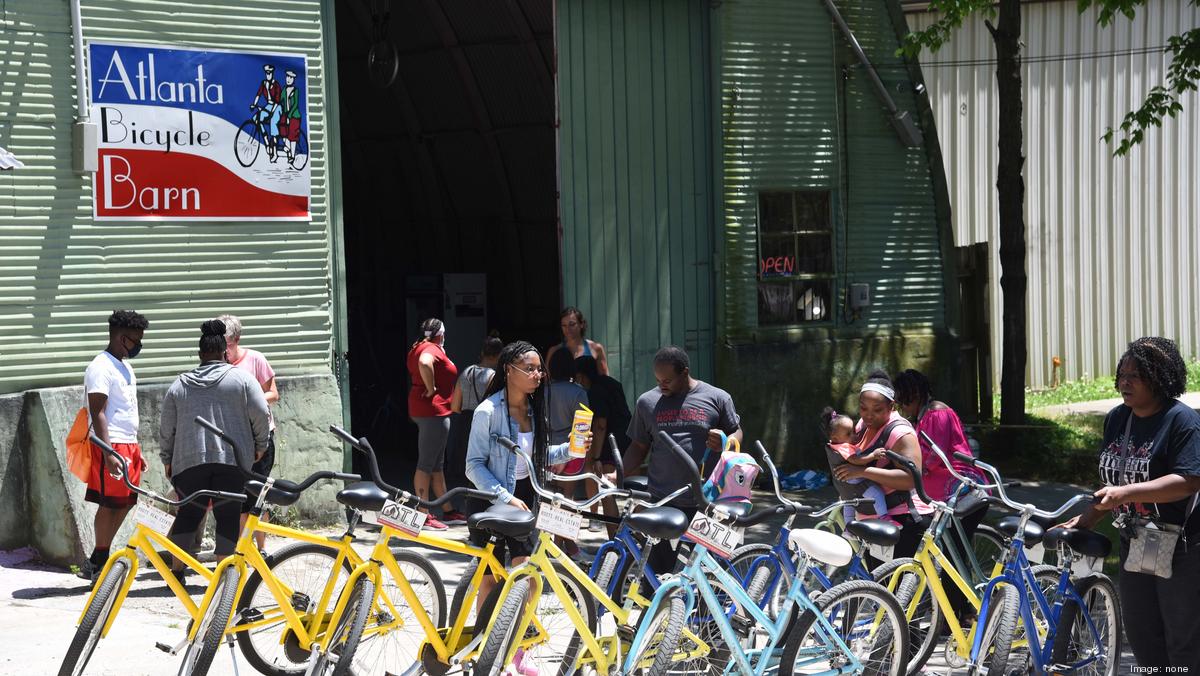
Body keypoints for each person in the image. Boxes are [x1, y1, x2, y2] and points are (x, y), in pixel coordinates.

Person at [1057, 337, 1200, 669]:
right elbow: (1115, 483)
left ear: (1160, 378)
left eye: (1135, 375)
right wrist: (1085, 519)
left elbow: (1189, 480)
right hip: (1140, 543)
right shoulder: (1119, 418)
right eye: (1122, 374)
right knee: (1143, 637)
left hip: (1183, 546)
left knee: (1183, 642)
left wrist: (1127, 495)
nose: (1124, 381)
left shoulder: (1182, 422)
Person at [464, 341, 574, 609]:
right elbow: (473, 465)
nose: (537, 375)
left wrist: (571, 450)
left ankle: (522, 641)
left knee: (528, 571)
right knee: (488, 578)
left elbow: (536, 457)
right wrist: (505, 497)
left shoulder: (534, 409)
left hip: (525, 499)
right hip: (489, 501)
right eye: (529, 369)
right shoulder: (487, 412)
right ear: (509, 370)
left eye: (539, 369)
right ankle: (487, 643)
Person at [159, 320, 270, 579]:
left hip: (188, 461)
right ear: (225, 353)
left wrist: (167, 458)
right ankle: (225, 578)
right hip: (232, 462)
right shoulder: (242, 380)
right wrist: (260, 445)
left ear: (199, 354)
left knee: (188, 515)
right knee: (228, 517)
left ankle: (177, 574)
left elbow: (167, 427)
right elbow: (261, 414)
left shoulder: (180, 385)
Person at [623, 346, 742, 573]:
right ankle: (663, 608)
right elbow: (639, 446)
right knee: (657, 573)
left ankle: (708, 608)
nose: (661, 385)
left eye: (667, 380)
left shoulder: (717, 397)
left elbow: (737, 432)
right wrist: (617, 475)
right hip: (663, 499)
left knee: (712, 573)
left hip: (709, 500)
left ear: (684, 372)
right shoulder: (647, 402)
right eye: (658, 380)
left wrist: (725, 440)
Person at [893, 368, 988, 618]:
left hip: (962, 493)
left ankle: (955, 615)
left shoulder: (937, 413)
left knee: (953, 559)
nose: (905, 407)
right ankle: (957, 612)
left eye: (907, 400)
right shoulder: (924, 416)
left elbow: (931, 457)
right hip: (948, 498)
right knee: (950, 556)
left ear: (917, 394)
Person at [831, 370, 931, 565]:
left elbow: (911, 478)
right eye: (863, 408)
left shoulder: (900, 432)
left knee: (894, 588)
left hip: (904, 518)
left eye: (877, 410)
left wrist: (861, 471)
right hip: (873, 517)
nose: (869, 415)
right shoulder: (862, 425)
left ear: (891, 406)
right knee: (880, 586)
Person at [79, 309, 150, 581]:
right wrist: (109, 452)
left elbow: (126, 409)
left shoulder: (125, 365)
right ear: (122, 338)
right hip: (112, 445)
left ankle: (100, 555)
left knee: (126, 501)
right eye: (136, 340)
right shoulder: (101, 366)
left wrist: (136, 448)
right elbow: (97, 411)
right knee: (110, 503)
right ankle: (98, 559)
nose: (138, 346)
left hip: (128, 443)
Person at [218, 314, 279, 552]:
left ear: (237, 339)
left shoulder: (255, 359)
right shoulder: (217, 365)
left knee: (258, 496)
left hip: (260, 440)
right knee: (235, 499)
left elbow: (273, 393)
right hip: (230, 442)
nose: (224, 351)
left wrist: (250, 401)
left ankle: (261, 549)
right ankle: (240, 551)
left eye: (228, 345)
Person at [407, 318, 462, 530]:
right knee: (426, 464)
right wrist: (431, 389)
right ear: (441, 334)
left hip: (427, 411)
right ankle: (423, 514)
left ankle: (447, 510)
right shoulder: (430, 348)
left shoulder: (417, 346)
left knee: (436, 465)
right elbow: (424, 362)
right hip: (433, 411)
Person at [447, 333, 503, 512]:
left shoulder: (467, 372)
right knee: (485, 464)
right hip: (483, 421)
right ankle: (482, 505)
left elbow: (455, 406)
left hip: (464, 421)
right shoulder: (494, 377)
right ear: (498, 355)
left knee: (468, 464)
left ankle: (467, 503)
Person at [574, 355, 629, 536]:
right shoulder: (612, 383)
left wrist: (596, 457)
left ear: (581, 376)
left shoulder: (594, 391)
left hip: (610, 443)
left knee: (606, 491)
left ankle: (615, 539)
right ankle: (616, 535)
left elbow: (600, 424)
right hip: (625, 440)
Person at [546, 349, 590, 557]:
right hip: (571, 449)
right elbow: (582, 426)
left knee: (549, 499)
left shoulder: (542, 391)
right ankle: (565, 547)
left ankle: (553, 545)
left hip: (546, 450)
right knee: (568, 499)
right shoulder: (578, 392)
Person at [821, 408, 889, 523]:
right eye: (849, 434)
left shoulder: (833, 446)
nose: (854, 435)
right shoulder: (844, 447)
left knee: (849, 503)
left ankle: (848, 527)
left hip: (844, 487)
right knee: (877, 493)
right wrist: (873, 455)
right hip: (856, 483)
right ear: (835, 438)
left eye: (853, 431)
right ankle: (885, 517)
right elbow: (856, 460)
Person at [546, 307, 609, 376]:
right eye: (564, 325)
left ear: (581, 324)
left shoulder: (596, 348)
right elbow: (548, 382)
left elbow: (605, 379)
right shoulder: (554, 351)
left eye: (572, 324)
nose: (568, 329)